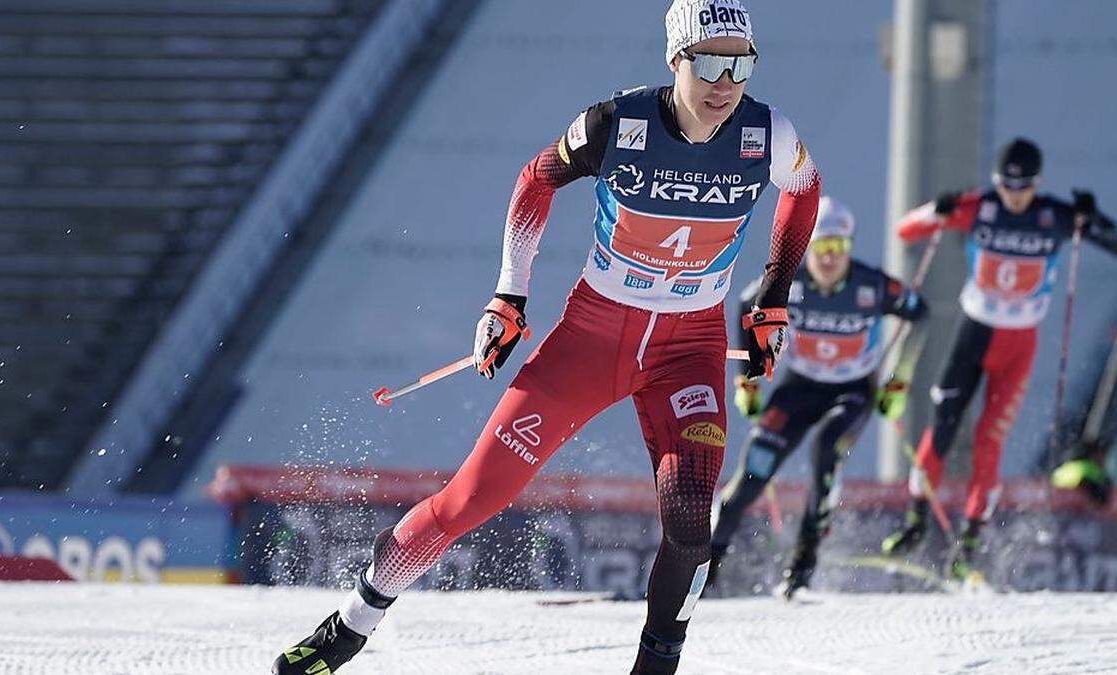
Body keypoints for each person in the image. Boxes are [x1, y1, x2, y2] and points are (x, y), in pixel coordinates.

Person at [273, 1, 821, 673]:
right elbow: (537, 179)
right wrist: (508, 294)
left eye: (741, 64)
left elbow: (803, 187)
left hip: (689, 350)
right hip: (593, 340)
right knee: (468, 500)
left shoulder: (767, 134)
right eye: (709, 61)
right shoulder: (617, 124)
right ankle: (351, 624)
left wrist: (774, 293)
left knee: (689, 529)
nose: (725, 81)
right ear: (675, 59)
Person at [881, 138, 1117, 579]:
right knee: (943, 424)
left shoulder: (1055, 216)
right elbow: (906, 230)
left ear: (1038, 183)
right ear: (997, 182)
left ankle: (970, 542)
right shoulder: (980, 207)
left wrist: (1095, 219)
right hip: (973, 333)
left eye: (1024, 188)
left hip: (1018, 345)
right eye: (1007, 187)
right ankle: (916, 522)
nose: (1015, 197)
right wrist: (935, 208)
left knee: (988, 441)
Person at [706, 197, 928, 599]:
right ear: (807, 248)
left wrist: (899, 382)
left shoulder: (871, 285)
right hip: (799, 388)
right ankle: (706, 567)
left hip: (852, 392)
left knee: (827, 451)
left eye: (838, 248)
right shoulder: (788, 284)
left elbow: (919, 313)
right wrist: (748, 380)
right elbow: (745, 305)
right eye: (821, 247)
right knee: (755, 467)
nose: (829, 259)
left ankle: (801, 569)